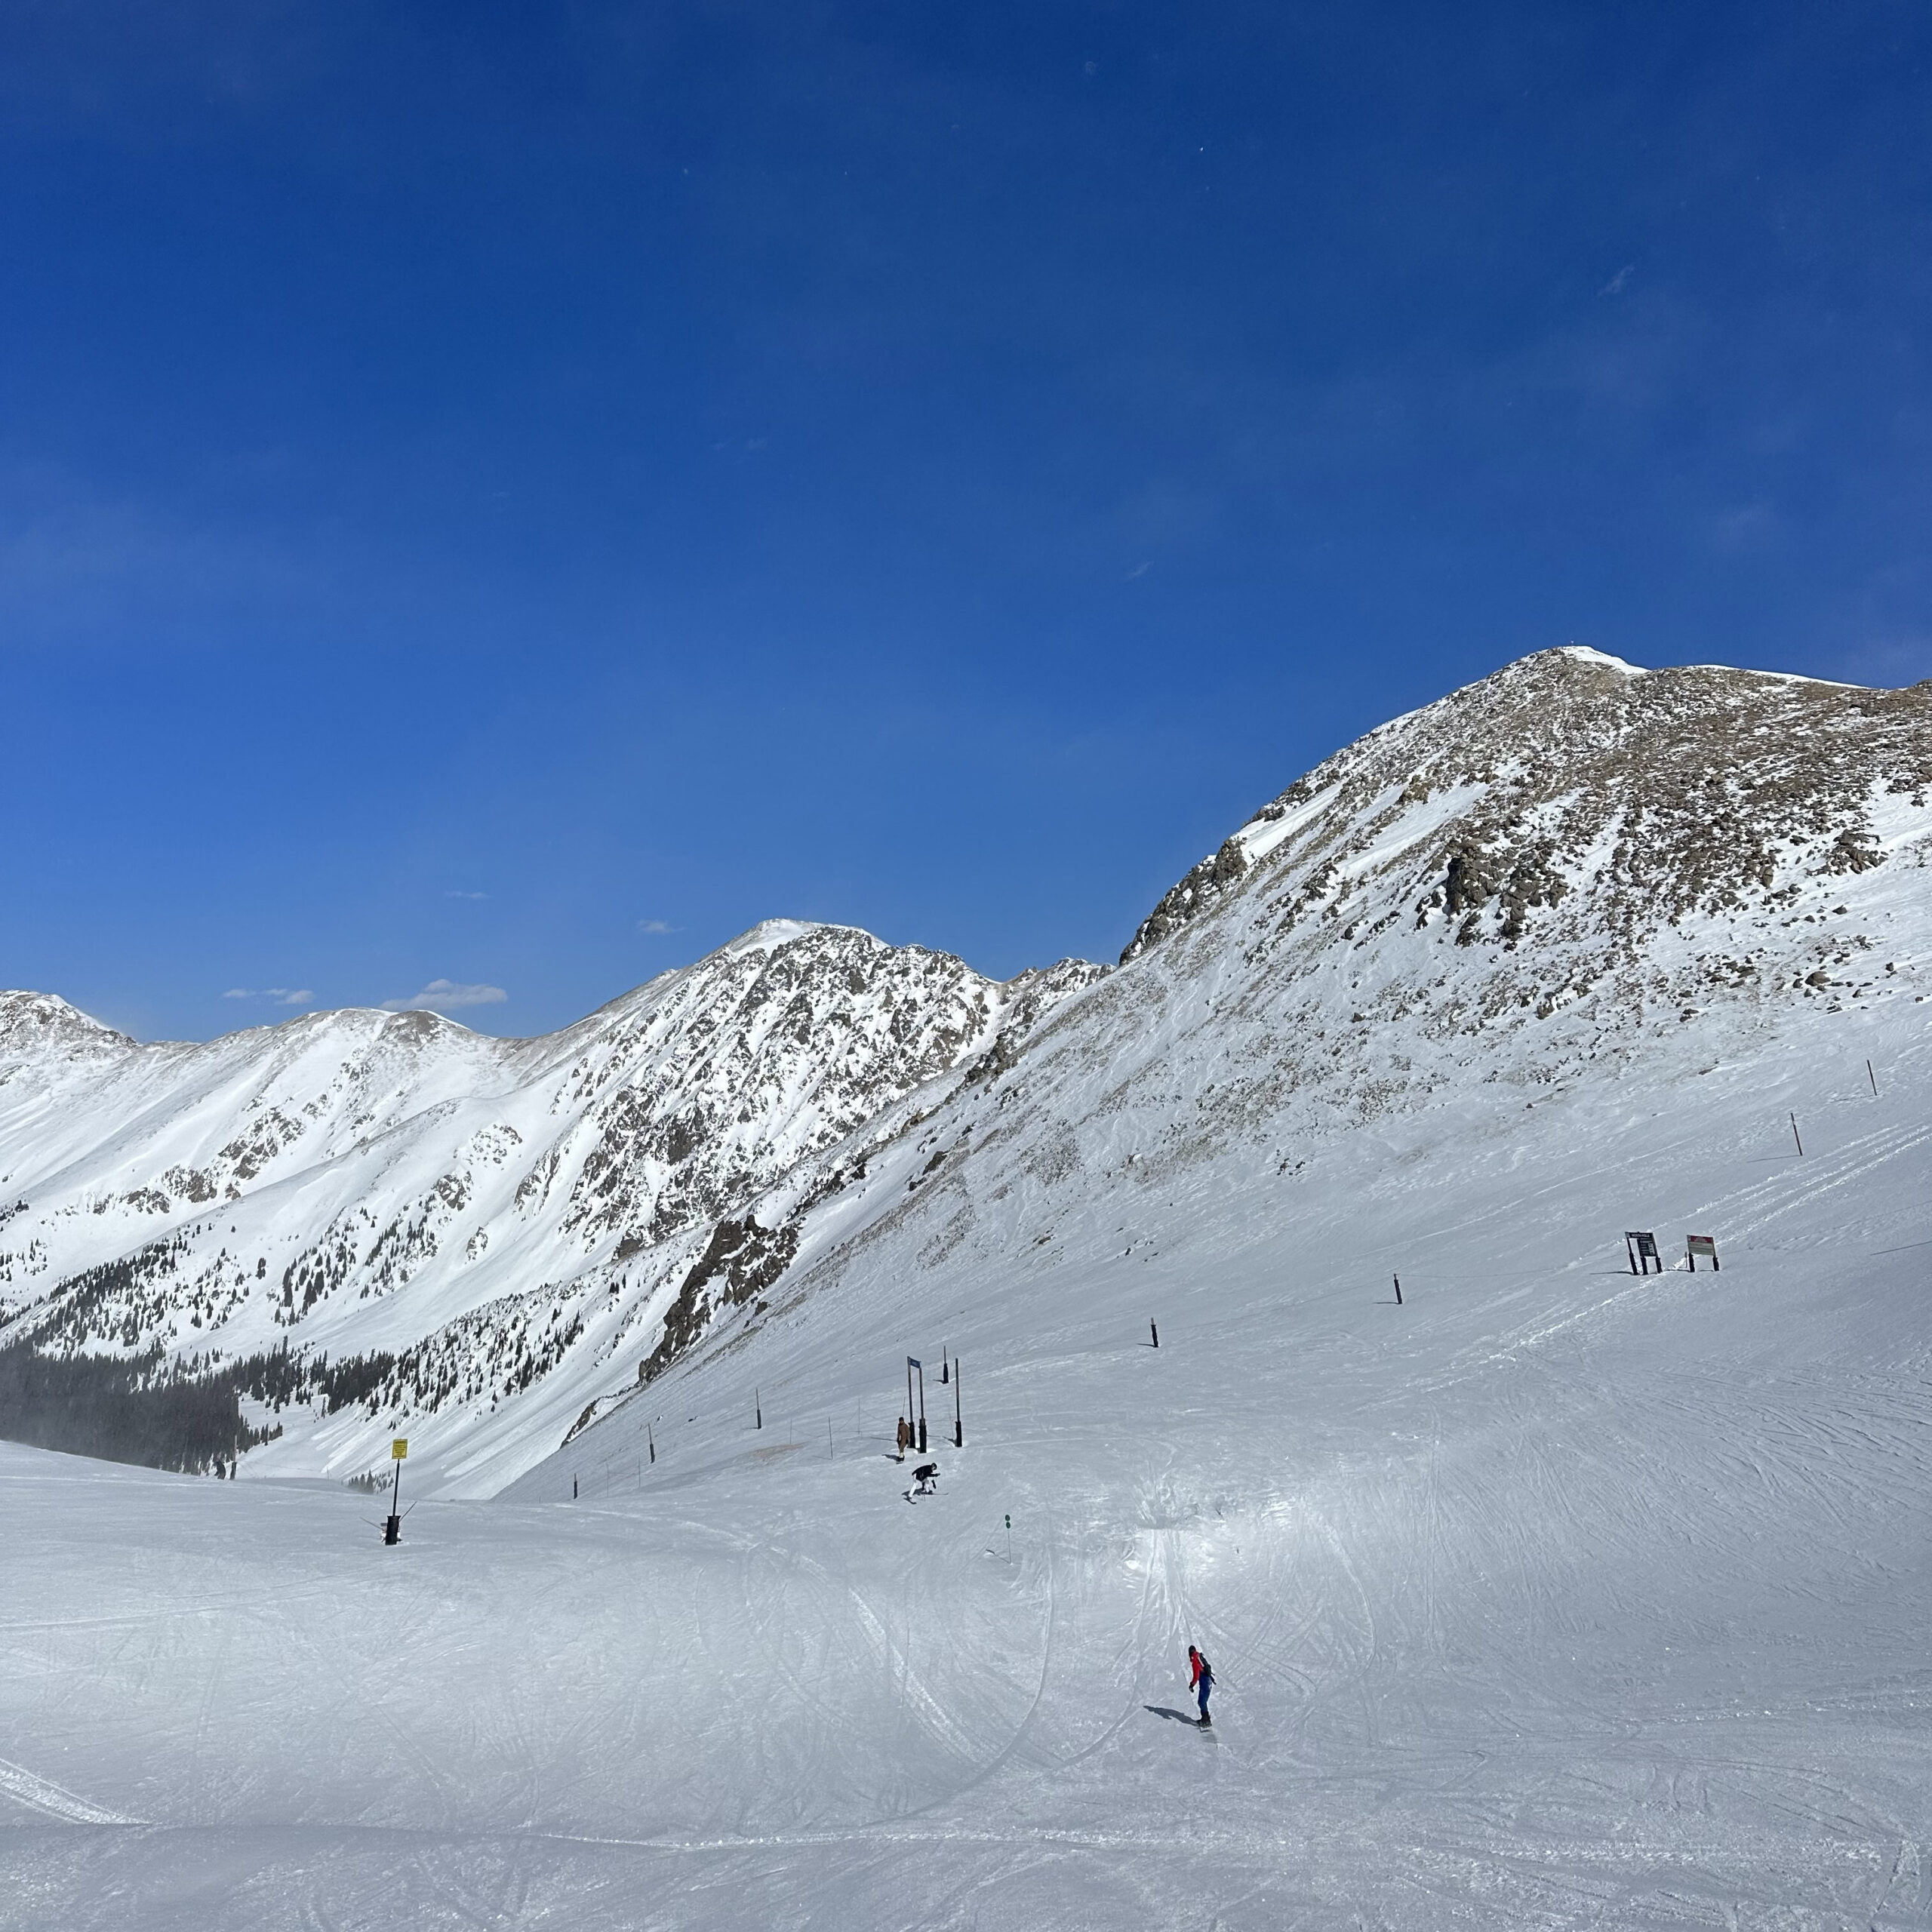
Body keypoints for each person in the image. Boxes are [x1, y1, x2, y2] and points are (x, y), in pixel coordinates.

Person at [1189, 1644, 1214, 1725]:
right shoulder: (1199, 1657)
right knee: (1202, 1702)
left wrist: (1192, 1685)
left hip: (1205, 1683)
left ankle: (1206, 1721)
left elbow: (1196, 1676)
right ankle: (1205, 1719)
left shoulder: (1195, 1661)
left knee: (1202, 1702)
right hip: (1208, 1682)